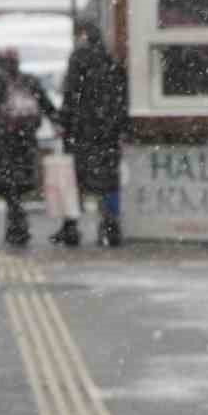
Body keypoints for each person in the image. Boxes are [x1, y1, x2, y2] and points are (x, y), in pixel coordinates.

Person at [53, 20, 130, 247]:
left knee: (74, 180)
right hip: (107, 132)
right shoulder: (111, 63)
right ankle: (110, 225)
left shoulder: (77, 61)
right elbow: (122, 98)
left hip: (81, 131)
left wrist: (64, 121)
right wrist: (119, 125)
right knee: (108, 180)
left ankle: (71, 227)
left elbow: (71, 95)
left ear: (82, 36)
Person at [0, 47, 58, 248]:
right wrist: (59, 121)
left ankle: (16, 221)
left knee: (7, 181)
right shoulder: (29, 81)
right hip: (25, 139)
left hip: (1, 140)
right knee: (20, 179)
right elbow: (46, 105)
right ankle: (17, 220)